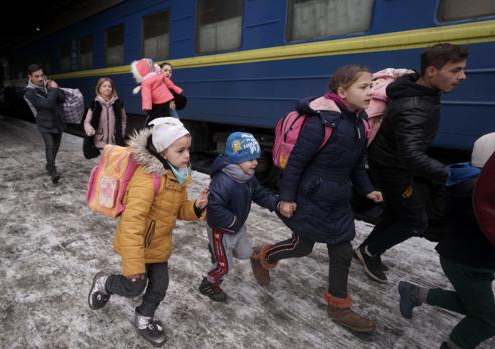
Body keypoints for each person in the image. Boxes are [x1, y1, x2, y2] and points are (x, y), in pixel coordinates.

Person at [250, 65, 383, 333]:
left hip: (338, 197)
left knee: (343, 250)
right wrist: (286, 198)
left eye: (372, 86)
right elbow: (296, 164)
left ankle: (338, 307)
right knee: (302, 246)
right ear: (342, 91)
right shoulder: (320, 122)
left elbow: (357, 163)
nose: (371, 92)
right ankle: (262, 256)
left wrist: (367, 188)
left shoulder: (361, 122)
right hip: (309, 195)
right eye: (364, 87)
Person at [88, 117, 209, 347]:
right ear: (162, 152)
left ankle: (144, 318)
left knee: (160, 285)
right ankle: (104, 282)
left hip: (159, 245)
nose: (187, 155)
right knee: (134, 286)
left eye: (188, 149)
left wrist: (196, 207)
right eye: (181, 150)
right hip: (138, 245)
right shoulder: (147, 180)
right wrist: (133, 264)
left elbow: (178, 209)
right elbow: (132, 223)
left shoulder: (178, 175)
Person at [355, 43, 469, 283]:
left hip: (389, 162)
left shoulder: (415, 87)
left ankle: (366, 249)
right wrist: (450, 174)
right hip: (392, 169)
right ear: (431, 72)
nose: (462, 76)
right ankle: (370, 251)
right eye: (455, 70)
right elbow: (411, 155)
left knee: (399, 211)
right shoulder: (414, 108)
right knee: (416, 221)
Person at [398, 132, 495, 349]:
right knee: (487, 319)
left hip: (472, 261)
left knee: (474, 304)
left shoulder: (470, 184)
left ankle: (414, 292)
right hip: (467, 264)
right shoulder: (476, 194)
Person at [198, 132, 282, 302]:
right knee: (224, 266)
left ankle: (216, 251)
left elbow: (259, 193)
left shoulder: (248, 178)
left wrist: (276, 204)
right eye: (251, 159)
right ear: (236, 159)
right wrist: (233, 221)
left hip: (237, 227)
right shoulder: (223, 181)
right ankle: (209, 284)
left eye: (256, 158)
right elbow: (214, 207)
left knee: (245, 253)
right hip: (221, 230)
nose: (256, 163)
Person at [24, 63, 66, 184]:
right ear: (30, 77)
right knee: (50, 146)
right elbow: (47, 105)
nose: (40, 78)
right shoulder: (29, 93)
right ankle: (53, 171)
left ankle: (49, 165)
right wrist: (53, 89)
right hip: (44, 124)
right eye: (36, 76)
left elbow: (62, 98)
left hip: (57, 121)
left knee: (56, 148)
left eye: (42, 75)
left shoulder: (49, 83)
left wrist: (55, 89)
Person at [130, 58, 183, 126]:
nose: (168, 73)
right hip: (159, 116)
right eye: (165, 70)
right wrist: (167, 105)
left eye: (170, 71)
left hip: (169, 115)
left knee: (177, 127)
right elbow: (149, 103)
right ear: (159, 71)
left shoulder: (169, 85)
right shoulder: (150, 84)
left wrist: (176, 100)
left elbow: (182, 102)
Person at [83, 77, 127, 149]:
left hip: (115, 142)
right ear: (99, 89)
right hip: (100, 142)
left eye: (109, 86)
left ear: (112, 89)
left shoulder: (118, 103)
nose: (107, 88)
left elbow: (123, 119)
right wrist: (89, 129)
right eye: (104, 86)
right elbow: (86, 122)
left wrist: (122, 133)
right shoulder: (94, 104)